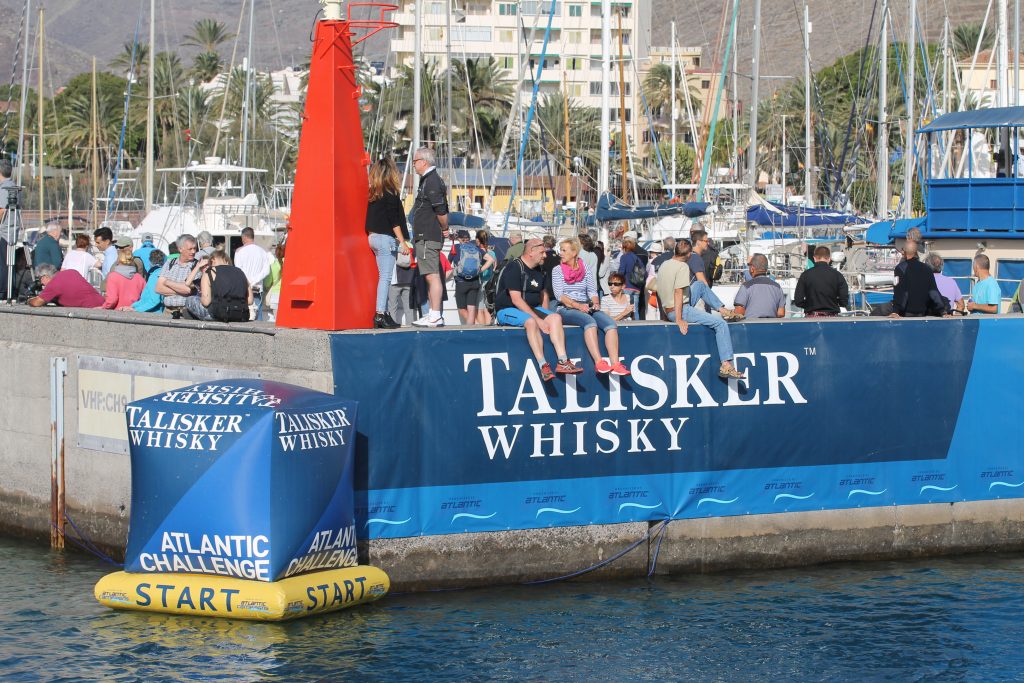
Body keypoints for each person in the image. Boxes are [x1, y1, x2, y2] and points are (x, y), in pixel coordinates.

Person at [495, 238, 582, 381]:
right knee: (531, 322)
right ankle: (543, 366)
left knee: (555, 318)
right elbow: (516, 299)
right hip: (508, 309)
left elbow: (544, 295)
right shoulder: (515, 267)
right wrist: (539, 320)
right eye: (542, 252)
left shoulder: (539, 269)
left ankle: (563, 361)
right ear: (531, 252)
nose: (545, 256)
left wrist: (546, 315)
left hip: (531, 308)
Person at [656, 241, 744, 379]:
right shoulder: (683, 266)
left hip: (669, 308)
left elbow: (659, 290)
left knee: (699, 285)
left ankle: (723, 310)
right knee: (720, 324)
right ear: (689, 254)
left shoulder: (664, 264)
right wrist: (678, 319)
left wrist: (665, 314)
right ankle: (726, 365)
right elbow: (678, 292)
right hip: (680, 309)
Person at [551, 237, 629, 375]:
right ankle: (599, 362)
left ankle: (615, 364)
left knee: (610, 324)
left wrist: (596, 303)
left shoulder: (585, 268)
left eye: (564, 250)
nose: (560, 253)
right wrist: (578, 306)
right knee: (590, 322)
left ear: (574, 252)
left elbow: (592, 291)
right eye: (560, 250)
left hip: (586, 306)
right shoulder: (557, 270)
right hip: (565, 308)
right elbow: (559, 296)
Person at [365, 157, 408, 329]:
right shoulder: (390, 193)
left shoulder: (373, 194)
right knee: (386, 278)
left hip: (373, 237)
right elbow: (394, 220)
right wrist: (403, 242)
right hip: (385, 239)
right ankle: (380, 314)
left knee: (382, 277)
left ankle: (384, 313)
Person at [410, 147, 450, 327]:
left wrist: (445, 228)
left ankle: (435, 315)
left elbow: (440, 209)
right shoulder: (428, 180)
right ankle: (432, 313)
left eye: (415, 161)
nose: (413, 165)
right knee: (428, 275)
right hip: (425, 235)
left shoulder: (432, 181)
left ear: (424, 162)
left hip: (428, 235)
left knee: (432, 276)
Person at [185, 250, 252, 322]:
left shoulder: (210, 272)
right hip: (241, 315)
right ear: (226, 261)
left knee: (190, 299)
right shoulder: (240, 272)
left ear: (212, 260)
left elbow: (206, 302)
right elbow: (250, 300)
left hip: (218, 315)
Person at [890, 241, 946, 317]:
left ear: (904, 252)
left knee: (879, 310)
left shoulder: (900, 268)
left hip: (906, 312)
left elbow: (900, 291)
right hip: (922, 312)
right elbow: (934, 292)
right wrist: (943, 311)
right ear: (916, 252)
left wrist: (895, 311)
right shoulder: (927, 268)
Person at [451, 229, 494, 325]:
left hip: (461, 282)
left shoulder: (456, 247)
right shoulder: (476, 248)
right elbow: (491, 259)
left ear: (459, 239)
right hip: (475, 282)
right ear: (469, 238)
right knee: (471, 309)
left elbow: (448, 264)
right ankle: (472, 329)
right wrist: (480, 270)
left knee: (462, 310)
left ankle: (477, 325)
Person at [793, 245, 849, 316]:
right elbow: (844, 301)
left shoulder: (805, 275)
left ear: (814, 258)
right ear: (829, 259)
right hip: (832, 317)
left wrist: (810, 304)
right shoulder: (838, 275)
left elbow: (798, 301)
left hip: (812, 316)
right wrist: (833, 303)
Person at [156, 234, 203, 318]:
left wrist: (167, 282)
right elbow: (158, 288)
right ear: (180, 249)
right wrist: (180, 290)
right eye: (190, 249)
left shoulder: (197, 266)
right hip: (167, 312)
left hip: (186, 313)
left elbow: (187, 290)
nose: (193, 252)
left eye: (195, 248)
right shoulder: (170, 263)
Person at [233, 227, 272, 321]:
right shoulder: (263, 252)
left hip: (244, 288)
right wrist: (255, 280)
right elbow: (266, 271)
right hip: (257, 288)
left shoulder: (239, 252)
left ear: (244, 237)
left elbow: (238, 271)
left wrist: (248, 282)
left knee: (244, 315)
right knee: (258, 316)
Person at [28, 263, 104, 308]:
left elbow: (37, 303)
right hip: (103, 303)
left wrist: (29, 300)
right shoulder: (71, 272)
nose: (41, 283)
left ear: (45, 276)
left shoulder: (53, 284)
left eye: (40, 278)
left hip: (91, 310)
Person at [734, 253, 786, 319]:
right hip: (771, 326)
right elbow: (781, 313)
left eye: (749, 266)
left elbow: (739, 312)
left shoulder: (746, 286)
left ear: (752, 268)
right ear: (766, 269)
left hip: (751, 327)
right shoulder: (777, 287)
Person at [102, 237, 146, 310]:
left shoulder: (137, 262)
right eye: (117, 247)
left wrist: (104, 306)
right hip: (133, 310)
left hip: (117, 310)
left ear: (131, 248)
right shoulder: (139, 278)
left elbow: (112, 299)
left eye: (122, 247)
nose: (119, 249)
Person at [617, 232, 647, 320]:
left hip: (627, 287)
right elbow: (645, 273)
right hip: (637, 288)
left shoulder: (624, 257)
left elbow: (621, 272)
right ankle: (637, 327)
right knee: (635, 310)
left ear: (624, 247)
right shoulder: (636, 258)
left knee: (625, 310)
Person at [0, 159, 18, 299]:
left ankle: (3, 291)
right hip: (11, 231)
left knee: (3, 263)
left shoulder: (4, 188)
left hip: (4, 232)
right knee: (7, 263)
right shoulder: (13, 186)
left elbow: (1, 210)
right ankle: (8, 290)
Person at [476, 230, 498, 325]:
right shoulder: (492, 253)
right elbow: (495, 265)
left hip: (480, 280)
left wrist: (480, 270)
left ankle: (482, 327)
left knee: (480, 307)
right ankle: (490, 324)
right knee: (485, 306)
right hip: (489, 281)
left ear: (477, 240)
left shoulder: (478, 252)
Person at [264, 242, 285, 322]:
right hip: (288, 295)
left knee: (278, 322)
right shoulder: (291, 263)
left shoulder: (273, 265)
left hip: (276, 296)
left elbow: (267, 283)